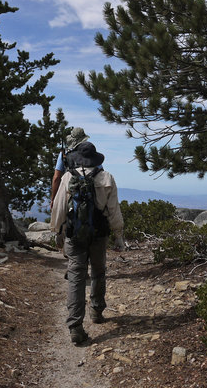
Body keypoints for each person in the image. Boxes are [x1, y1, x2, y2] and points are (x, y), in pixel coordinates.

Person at [50, 141, 125, 345]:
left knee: (76, 277)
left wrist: (57, 232)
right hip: (99, 235)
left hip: (74, 235)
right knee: (98, 272)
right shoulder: (107, 177)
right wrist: (118, 236)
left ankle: (75, 326)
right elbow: (114, 211)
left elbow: (58, 209)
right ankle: (97, 311)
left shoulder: (68, 177)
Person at [50, 127, 91, 209]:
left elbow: (56, 178)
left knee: (58, 219)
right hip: (89, 191)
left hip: (69, 190)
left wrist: (53, 199)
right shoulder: (91, 153)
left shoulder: (64, 154)